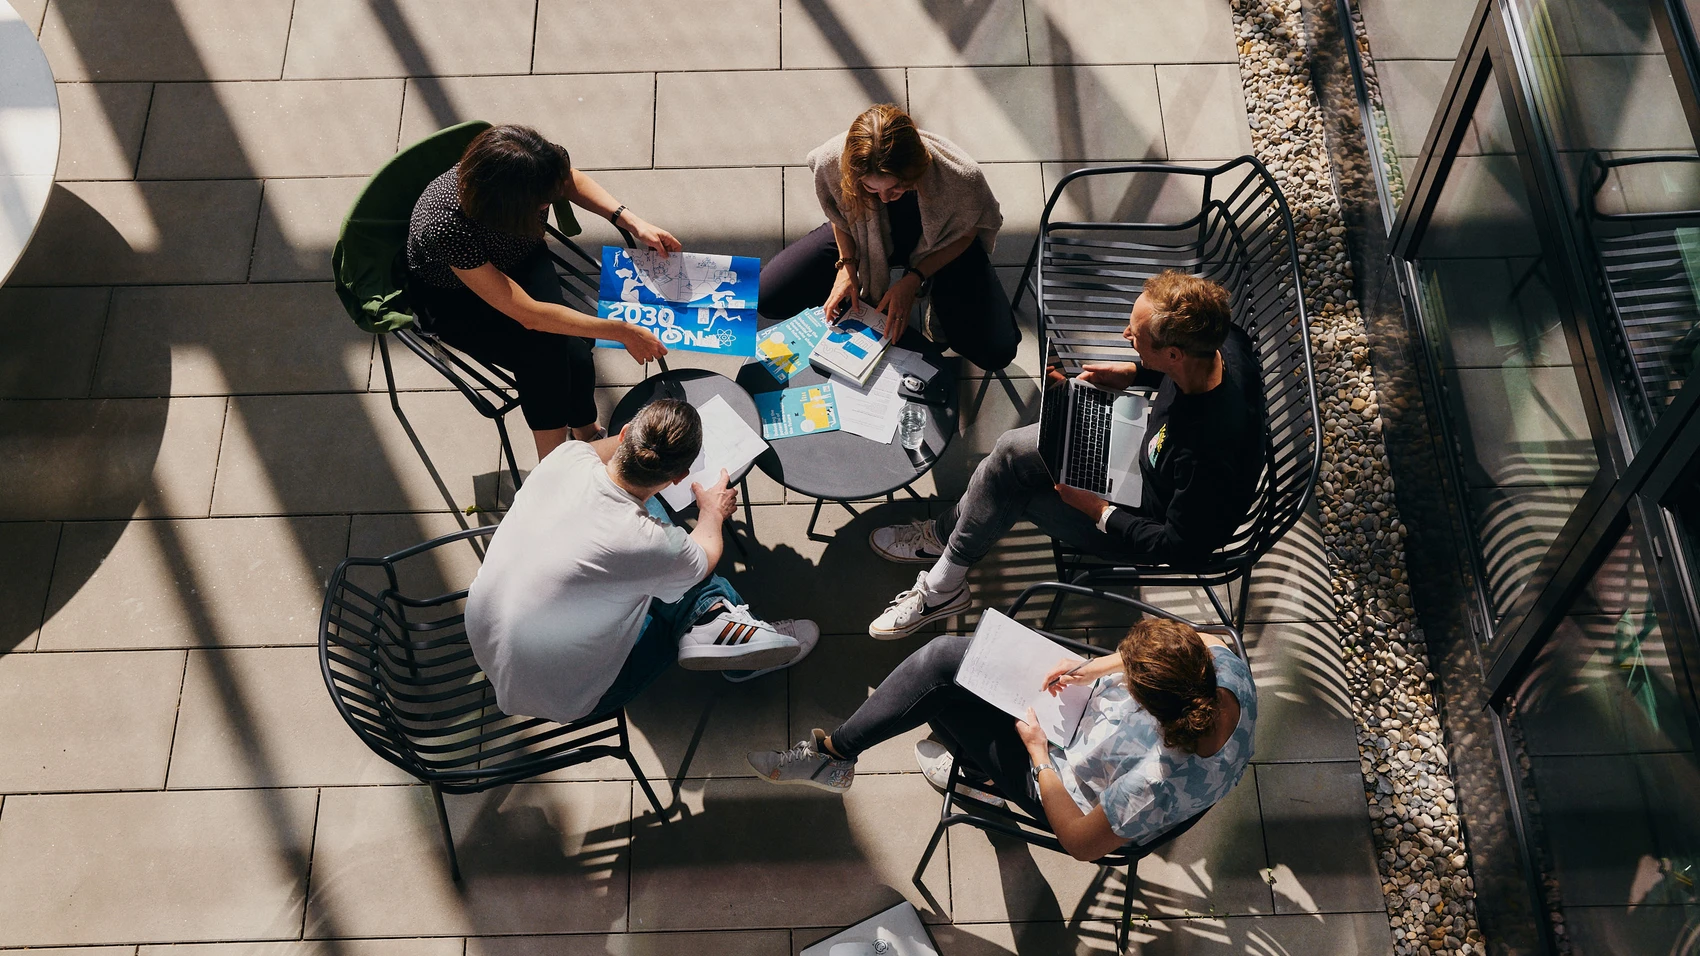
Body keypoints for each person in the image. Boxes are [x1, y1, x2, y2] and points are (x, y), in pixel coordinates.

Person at [864, 271, 1267, 640]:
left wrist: (1100, 511)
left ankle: (942, 583)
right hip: (1143, 456)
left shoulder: (1208, 452)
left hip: (1141, 521)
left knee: (1011, 487)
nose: (1126, 333)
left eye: (1136, 335)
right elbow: (1179, 375)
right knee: (1008, 454)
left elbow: (1177, 547)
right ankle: (945, 544)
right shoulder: (1221, 340)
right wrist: (1134, 373)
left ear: (1174, 355)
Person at [748, 617, 1255, 861]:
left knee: (943, 691)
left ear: (1150, 705)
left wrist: (1038, 757)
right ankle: (849, 757)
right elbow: (1202, 639)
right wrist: (1094, 667)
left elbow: (1081, 843)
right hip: (1083, 721)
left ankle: (835, 758)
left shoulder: (1152, 784)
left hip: (1065, 784)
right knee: (944, 666)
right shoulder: (1223, 674)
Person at [464, 399, 818, 725]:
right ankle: (727, 639)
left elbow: (608, 463)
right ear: (680, 477)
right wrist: (713, 511)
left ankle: (714, 622)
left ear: (623, 435)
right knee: (686, 571)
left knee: (651, 536)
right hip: (569, 696)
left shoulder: (565, 457)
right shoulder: (646, 541)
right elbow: (705, 557)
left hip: (489, 644)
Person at [406, 123, 681, 461]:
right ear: (508, 205)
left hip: (519, 256)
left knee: (575, 351)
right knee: (545, 358)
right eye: (540, 205)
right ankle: (554, 463)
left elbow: (568, 181)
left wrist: (631, 221)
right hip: (456, 297)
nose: (547, 207)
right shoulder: (447, 224)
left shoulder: (534, 163)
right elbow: (528, 314)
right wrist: (622, 330)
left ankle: (585, 432)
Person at [758, 103, 1019, 371]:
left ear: (916, 170)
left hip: (941, 240)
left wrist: (914, 278)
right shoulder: (834, 160)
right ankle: (848, 304)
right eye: (871, 188)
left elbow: (966, 234)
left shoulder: (958, 177)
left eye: (896, 189)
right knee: (769, 295)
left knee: (996, 351)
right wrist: (846, 264)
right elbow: (839, 214)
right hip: (861, 230)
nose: (884, 198)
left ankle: (941, 304)